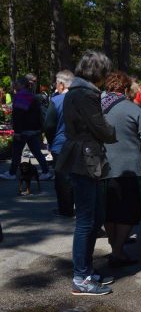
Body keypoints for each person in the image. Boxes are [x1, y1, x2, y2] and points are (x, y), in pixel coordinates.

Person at [55, 50, 117, 295]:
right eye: (105, 72)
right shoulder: (85, 93)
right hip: (86, 157)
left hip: (83, 154)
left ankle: (86, 270)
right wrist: (111, 132)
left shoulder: (76, 91)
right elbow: (100, 127)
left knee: (93, 217)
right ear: (97, 72)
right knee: (86, 220)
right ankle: (81, 277)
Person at [100, 71, 141, 268]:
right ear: (126, 89)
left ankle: (114, 246)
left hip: (102, 167)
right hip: (129, 167)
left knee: (108, 211)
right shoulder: (131, 108)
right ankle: (118, 251)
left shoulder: (96, 106)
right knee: (127, 212)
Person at [0, 77, 53, 180]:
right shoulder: (30, 95)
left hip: (24, 130)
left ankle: (12, 173)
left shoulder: (21, 95)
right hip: (33, 129)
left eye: (16, 83)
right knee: (37, 152)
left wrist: (17, 131)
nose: (14, 85)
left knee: (16, 152)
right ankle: (46, 171)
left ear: (21, 84)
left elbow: (19, 115)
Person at [45, 70, 76, 217]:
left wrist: (51, 143)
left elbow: (49, 125)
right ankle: (81, 208)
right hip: (80, 144)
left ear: (62, 85)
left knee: (62, 179)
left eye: (57, 84)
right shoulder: (82, 99)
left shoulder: (56, 101)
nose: (56, 87)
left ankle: (66, 209)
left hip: (61, 144)